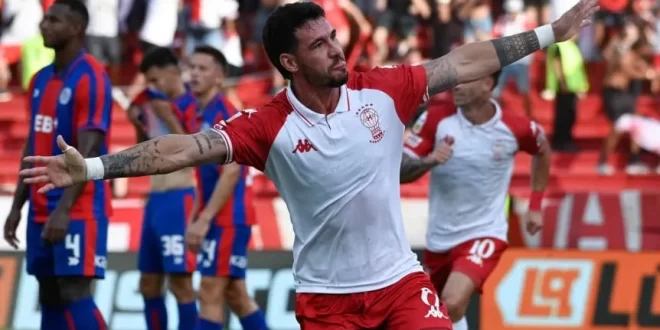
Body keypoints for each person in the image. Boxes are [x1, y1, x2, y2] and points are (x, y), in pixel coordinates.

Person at [19, 1, 598, 329]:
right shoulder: (266, 125)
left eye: (333, 36)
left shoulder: (383, 90)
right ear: (291, 61)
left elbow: (463, 59)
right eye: (320, 44)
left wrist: (551, 33)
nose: (337, 47)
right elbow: (181, 148)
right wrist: (92, 169)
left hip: (400, 283)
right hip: (326, 301)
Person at [400, 71, 551, 330]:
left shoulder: (514, 127)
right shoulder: (435, 119)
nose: (455, 85)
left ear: (487, 84)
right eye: (455, 78)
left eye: (465, 79)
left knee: (452, 302)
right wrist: (430, 160)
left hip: (485, 233)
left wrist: (536, 206)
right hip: (439, 237)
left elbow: (542, 149)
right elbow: (401, 170)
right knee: (437, 312)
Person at [3, 0, 112, 329]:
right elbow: (32, 144)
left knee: (73, 290)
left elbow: (89, 151)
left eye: (54, 20)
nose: (43, 25)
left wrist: (64, 209)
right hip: (38, 206)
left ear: (76, 28)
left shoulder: (91, 77)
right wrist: (17, 206)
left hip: (77, 208)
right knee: (48, 292)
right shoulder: (39, 79)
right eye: (45, 19)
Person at [184, 45, 269, 330]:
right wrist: (196, 216)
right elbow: (204, 176)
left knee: (209, 289)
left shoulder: (223, 113)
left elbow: (231, 171)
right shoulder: (200, 114)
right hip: (220, 215)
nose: (194, 74)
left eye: (202, 68)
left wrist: (204, 219)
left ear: (220, 76)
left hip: (229, 217)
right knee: (235, 294)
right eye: (191, 67)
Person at [129, 47, 199, 330]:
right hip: (155, 200)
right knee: (149, 283)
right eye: (149, 82)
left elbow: (197, 151)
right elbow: (144, 154)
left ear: (174, 70)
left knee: (181, 283)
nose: (153, 87)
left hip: (181, 198)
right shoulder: (151, 104)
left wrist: (169, 117)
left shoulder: (194, 103)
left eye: (157, 80)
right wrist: (137, 124)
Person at [599, 23, 655, 175]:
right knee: (618, 127)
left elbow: (644, 68)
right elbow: (626, 69)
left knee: (635, 126)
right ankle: (603, 162)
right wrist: (646, 75)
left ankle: (634, 160)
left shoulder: (634, 56)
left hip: (625, 94)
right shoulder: (620, 51)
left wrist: (650, 73)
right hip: (614, 93)